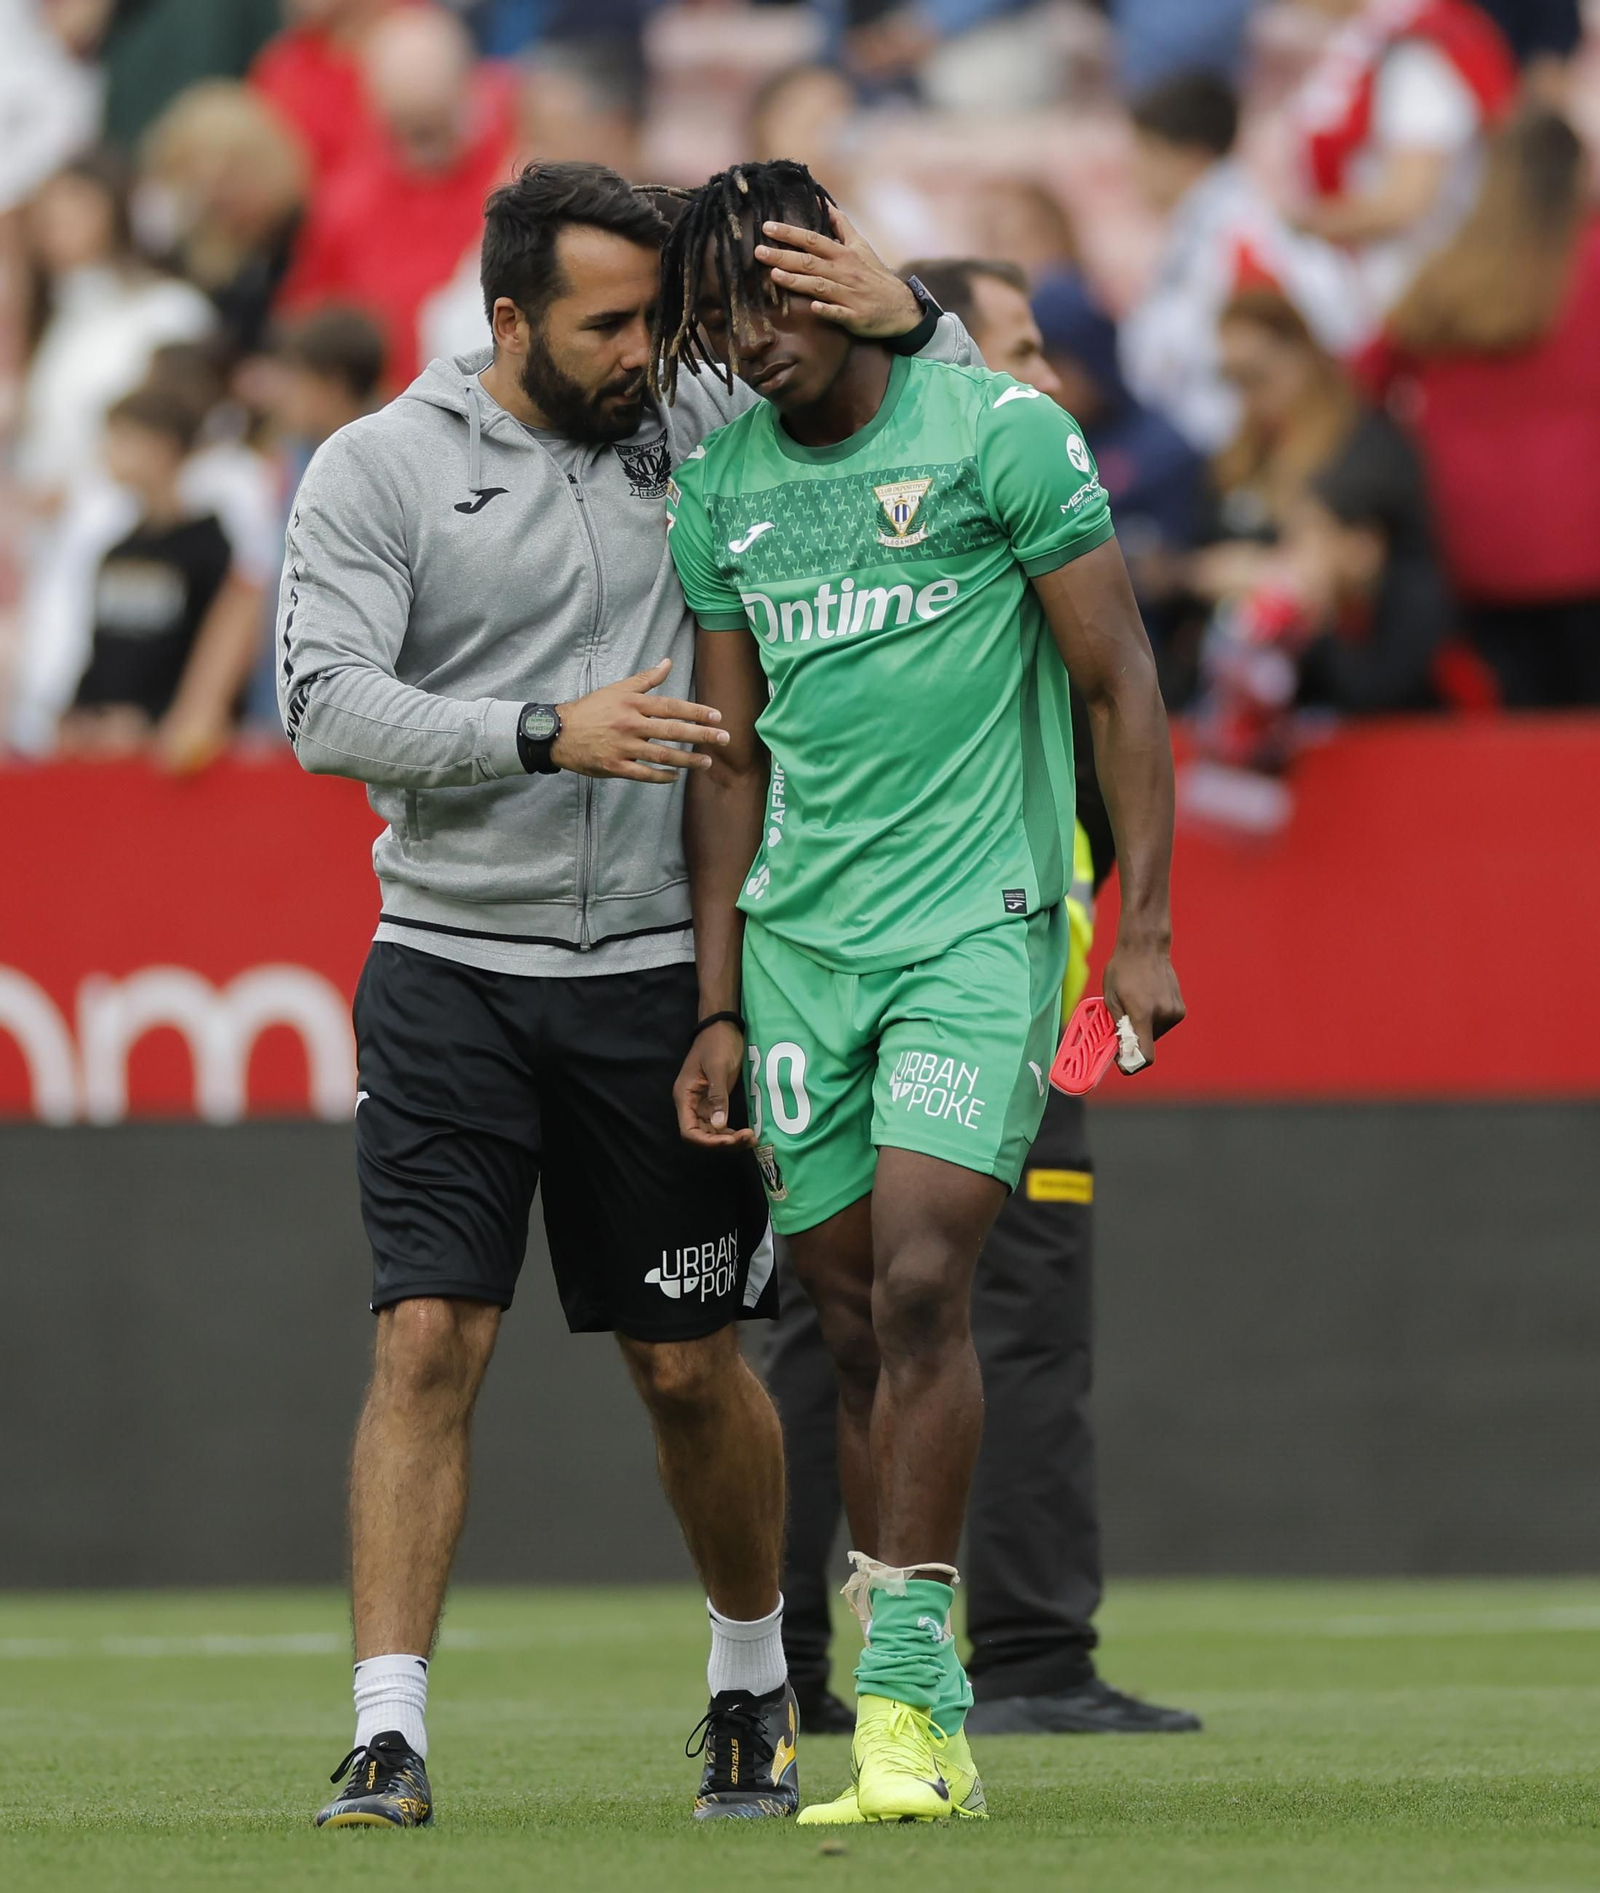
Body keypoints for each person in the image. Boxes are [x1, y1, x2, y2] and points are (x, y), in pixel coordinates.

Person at [275, 157, 974, 1830]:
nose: (647, 351)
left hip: (665, 967)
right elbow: (319, 702)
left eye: (660, 318)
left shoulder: (714, 414)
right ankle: (387, 1730)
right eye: (608, 323)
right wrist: (540, 727)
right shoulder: (378, 470)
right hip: (449, 956)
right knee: (428, 1334)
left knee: (684, 1362)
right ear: (505, 316)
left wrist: (924, 322)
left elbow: (957, 458)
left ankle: (750, 1681)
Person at [660, 159, 1183, 1824]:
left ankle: (900, 1703)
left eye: (772, 292)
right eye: (715, 313)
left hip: (983, 924)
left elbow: (1121, 682)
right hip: (803, 950)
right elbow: (729, 761)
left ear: (842, 270)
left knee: (923, 1278)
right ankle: (923, 1682)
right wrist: (720, 998)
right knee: (835, 1310)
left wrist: (1151, 926)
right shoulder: (723, 491)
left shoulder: (999, 437)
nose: (746, 338)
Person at [764, 249, 1202, 1743]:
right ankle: (1012, 1651)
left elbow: (1116, 695)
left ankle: (847, 1663)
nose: (1044, 375)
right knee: (954, 1312)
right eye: (1007, 343)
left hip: (1018, 968)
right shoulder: (951, 477)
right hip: (921, 962)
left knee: (917, 1310)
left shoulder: (1011, 490)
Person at [1367, 109, 1600, 707]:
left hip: (1470, 548)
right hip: (1585, 544)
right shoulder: (1590, 258)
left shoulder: (1447, 272)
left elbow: (1360, 380)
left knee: (1514, 745)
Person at [1120, 71, 1369, 456]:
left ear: (1188, 156)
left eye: (1145, 154)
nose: (1133, 174)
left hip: (1246, 448)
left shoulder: (1250, 241)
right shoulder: (1196, 236)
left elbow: (1325, 333)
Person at [273, 6, 518, 388]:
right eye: (405, 128)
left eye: (434, 125)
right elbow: (307, 317)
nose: (421, 147)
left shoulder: (517, 170)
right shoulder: (344, 201)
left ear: (469, 93)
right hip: (387, 408)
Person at [1287, 0, 1517, 315]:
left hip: (1422, 293)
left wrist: (1294, 226)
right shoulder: (1372, 37)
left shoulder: (1417, 49)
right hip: (1391, 286)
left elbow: (1408, 201)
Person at [55, 383, 234, 754]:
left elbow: (214, 651)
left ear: (163, 446)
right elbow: (103, 648)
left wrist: (158, 721)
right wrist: (81, 714)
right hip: (105, 746)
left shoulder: (210, 547)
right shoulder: (116, 551)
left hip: (171, 748)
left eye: (122, 438)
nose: (107, 452)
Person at [139, 80, 308, 357]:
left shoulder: (301, 241)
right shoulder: (192, 256)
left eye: (230, 180)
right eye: (201, 185)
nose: (216, 198)